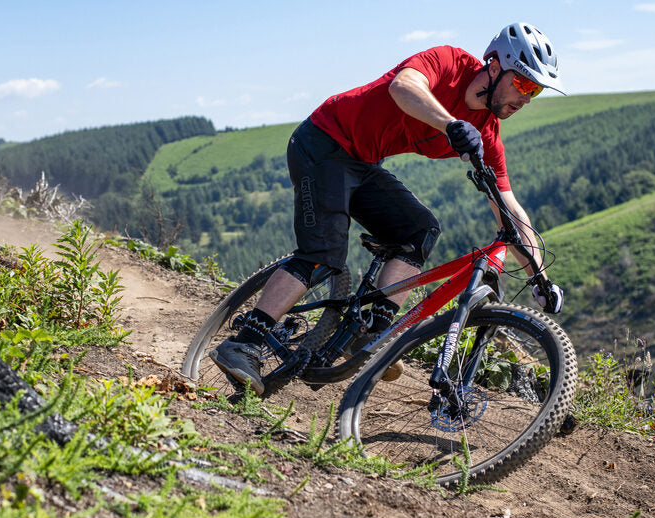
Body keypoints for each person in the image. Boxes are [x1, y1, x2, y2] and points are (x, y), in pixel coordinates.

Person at [211, 22, 565, 395]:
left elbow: (508, 207)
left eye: (536, 90)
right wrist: (451, 124)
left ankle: (373, 333)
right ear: (494, 66)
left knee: (419, 230)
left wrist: (539, 277)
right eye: (524, 83)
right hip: (322, 142)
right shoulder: (449, 62)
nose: (527, 98)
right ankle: (244, 342)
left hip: (362, 163)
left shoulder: (487, 132)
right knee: (323, 254)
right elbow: (404, 86)